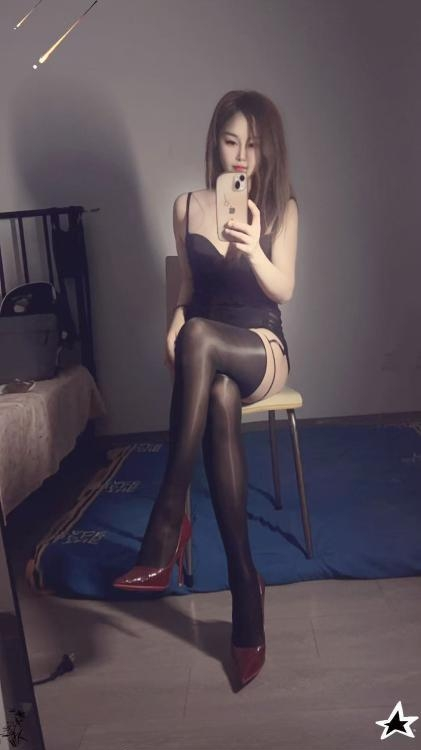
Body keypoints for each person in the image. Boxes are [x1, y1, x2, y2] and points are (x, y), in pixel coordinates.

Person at [113, 90, 299, 688]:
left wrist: (253, 249)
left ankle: (168, 520)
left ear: (268, 148)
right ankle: (246, 588)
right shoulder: (187, 206)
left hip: (261, 348)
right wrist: (175, 324)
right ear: (215, 141)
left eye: (254, 143)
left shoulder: (281, 206)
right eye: (231, 140)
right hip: (208, 353)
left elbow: (284, 289)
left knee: (205, 344)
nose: (242, 155)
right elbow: (189, 291)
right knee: (214, 389)